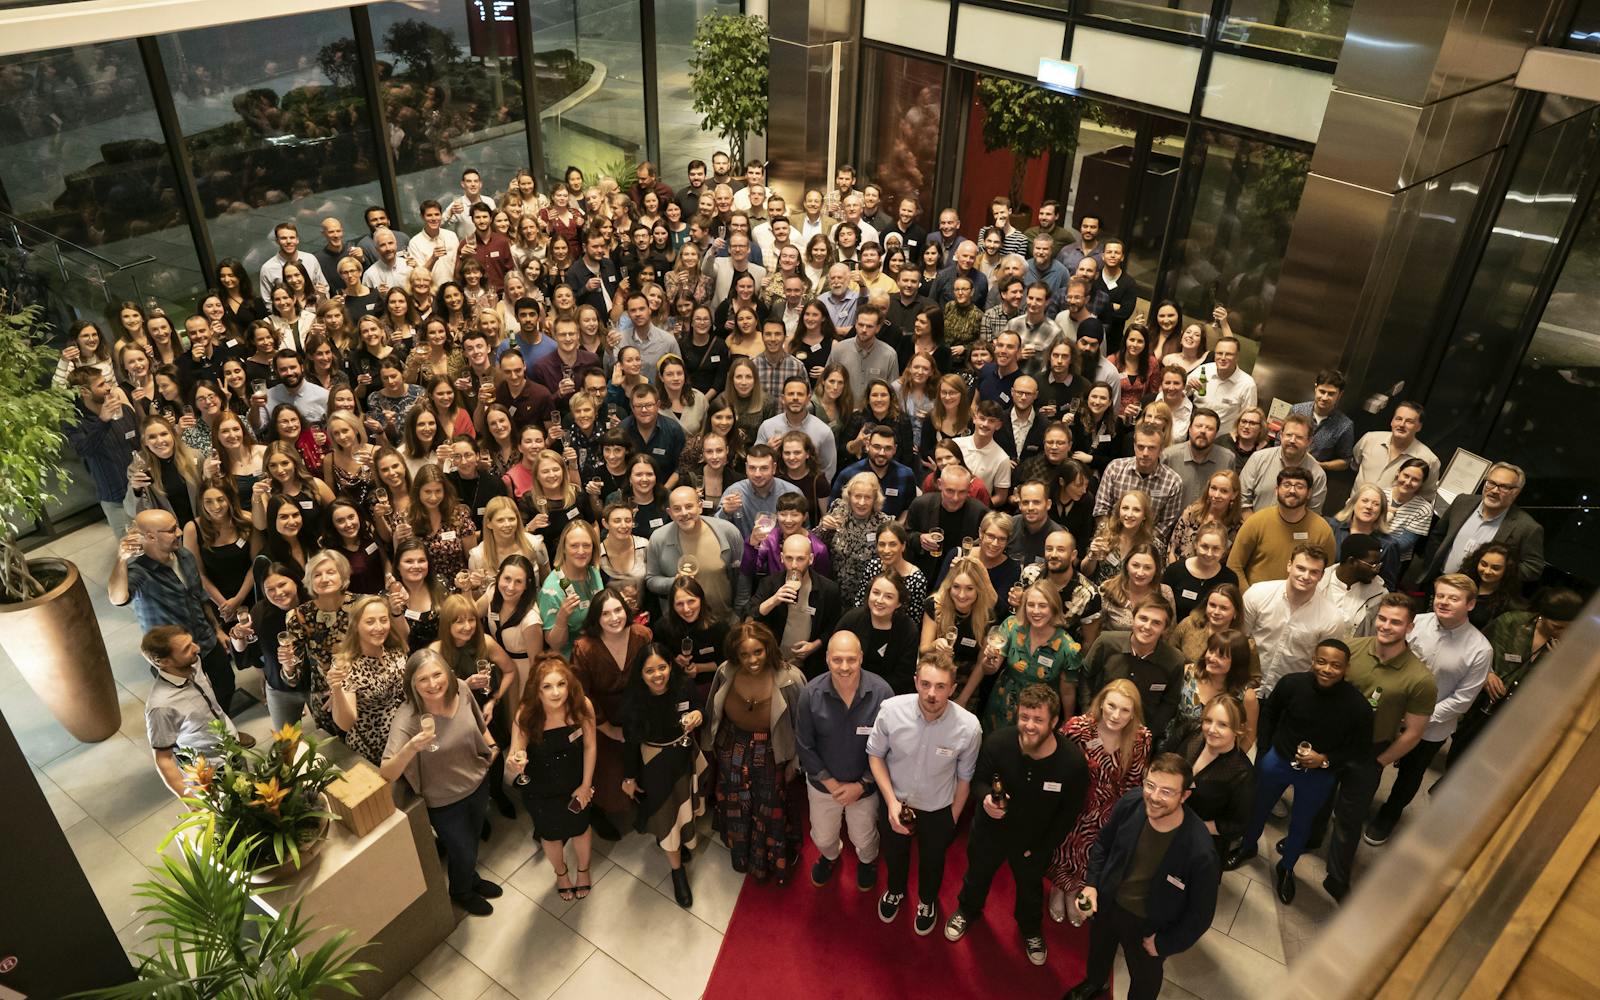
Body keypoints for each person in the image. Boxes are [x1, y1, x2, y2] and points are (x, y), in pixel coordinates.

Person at [945, 684, 1087, 965]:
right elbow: (978, 781)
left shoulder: (1072, 762)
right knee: (977, 875)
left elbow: (1069, 812)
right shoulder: (998, 742)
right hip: (990, 832)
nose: (1029, 725)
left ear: (1054, 722)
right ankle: (967, 909)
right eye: (1024, 717)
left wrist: (1044, 848)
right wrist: (986, 799)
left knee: (1030, 891)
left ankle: (1030, 929)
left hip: (1034, 841)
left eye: (1038, 719)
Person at [1061, 753, 1220, 1000]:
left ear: (1184, 796)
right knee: (1099, 950)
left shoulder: (1200, 851)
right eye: (1150, 785)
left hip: (1149, 925)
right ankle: (1095, 983)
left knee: (1145, 978)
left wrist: (1165, 943)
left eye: (1167, 792)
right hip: (1108, 903)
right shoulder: (1131, 802)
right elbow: (1103, 844)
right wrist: (1092, 885)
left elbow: (1200, 915)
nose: (1154, 797)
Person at [1229, 640, 1372, 905]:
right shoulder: (1291, 684)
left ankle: (1287, 867)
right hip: (1279, 760)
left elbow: (1359, 749)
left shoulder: (1358, 706)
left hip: (1320, 772)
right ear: (1312, 660)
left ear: (1346, 668)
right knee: (1257, 808)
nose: (1327, 669)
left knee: (1302, 823)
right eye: (1322, 661)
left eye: (1335, 665)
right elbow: (1270, 713)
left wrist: (1326, 760)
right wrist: (1266, 749)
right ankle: (1247, 847)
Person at [1321, 594, 1437, 901]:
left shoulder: (1420, 678)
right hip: (1331, 743)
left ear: (1410, 627)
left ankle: (1337, 877)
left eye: (1395, 622)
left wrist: (1379, 762)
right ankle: (1309, 839)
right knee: (1319, 798)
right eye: (1382, 618)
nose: (1385, 626)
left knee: (1349, 818)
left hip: (1369, 753)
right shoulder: (1351, 650)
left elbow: (1414, 733)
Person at [1362, 574, 1491, 845]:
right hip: (1388, 715)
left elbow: (1463, 699)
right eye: (1440, 595)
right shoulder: (1414, 623)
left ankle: (1389, 815)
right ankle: (1359, 804)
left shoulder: (1480, 649)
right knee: (1373, 762)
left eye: (1453, 598)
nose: (1443, 602)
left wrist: (1417, 719)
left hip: (1431, 727)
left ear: (1470, 604)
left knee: (1410, 774)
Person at [868, 650, 983, 935]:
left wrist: (952, 818)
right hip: (896, 801)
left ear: (953, 688)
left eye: (941, 686)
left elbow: (965, 778)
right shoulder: (891, 710)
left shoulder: (969, 727)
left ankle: (927, 901)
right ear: (916, 681)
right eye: (926, 684)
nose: (932, 694)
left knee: (933, 862)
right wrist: (890, 802)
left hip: (938, 809)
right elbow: (875, 755)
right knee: (894, 854)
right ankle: (895, 891)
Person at [381, 648, 500, 915]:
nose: (433, 684)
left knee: (472, 842)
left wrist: (492, 747)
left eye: (437, 675)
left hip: (478, 784)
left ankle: (470, 879)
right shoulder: (408, 718)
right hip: (444, 802)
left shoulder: (460, 689)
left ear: (448, 673)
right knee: (462, 850)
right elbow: (387, 772)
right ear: (412, 684)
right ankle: (461, 891)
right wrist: (412, 746)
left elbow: (478, 723)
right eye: (422, 679)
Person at [703, 620, 808, 882]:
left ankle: (770, 859)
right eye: (744, 654)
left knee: (769, 808)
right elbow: (712, 711)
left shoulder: (790, 679)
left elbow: (804, 727)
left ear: (768, 648)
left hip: (772, 752)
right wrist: (710, 746)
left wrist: (795, 763)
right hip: (731, 748)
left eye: (758, 652)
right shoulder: (725, 671)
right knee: (735, 803)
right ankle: (741, 852)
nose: (752, 660)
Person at [111, 509, 238, 714]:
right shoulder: (139, 572)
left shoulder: (184, 555)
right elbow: (117, 598)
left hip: (205, 639)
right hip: (174, 654)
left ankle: (224, 726)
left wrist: (217, 630)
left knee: (225, 686)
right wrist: (121, 561)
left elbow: (200, 596)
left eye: (177, 526)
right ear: (151, 537)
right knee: (191, 705)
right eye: (171, 530)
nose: (179, 532)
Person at [795, 632, 895, 891]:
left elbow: (890, 748)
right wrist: (831, 785)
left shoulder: (883, 693)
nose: (844, 667)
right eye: (837, 659)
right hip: (823, 786)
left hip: (865, 787)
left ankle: (867, 861)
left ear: (861, 657)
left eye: (851, 659)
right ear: (827, 658)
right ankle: (830, 856)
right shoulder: (810, 694)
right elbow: (804, 745)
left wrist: (861, 785)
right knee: (822, 836)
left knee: (863, 836)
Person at [1047, 680, 1151, 924]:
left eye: (1125, 710)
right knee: (1066, 850)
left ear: (1133, 713)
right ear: (1101, 703)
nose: (1116, 715)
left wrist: (1124, 818)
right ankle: (1058, 888)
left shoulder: (1140, 738)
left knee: (1090, 854)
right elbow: (1056, 764)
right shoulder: (1078, 728)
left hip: (1109, 811)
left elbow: (1135, 782)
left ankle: (1075, 890)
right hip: (1074, 805)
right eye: (1111, 706)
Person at [1449, 588, 1580, 762]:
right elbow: (1472, 651)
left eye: (1569, 628)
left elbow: (1564, 690)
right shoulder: (1511, 623)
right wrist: (1487, 674)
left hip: (1518, 719)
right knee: (1458, 756)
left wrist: (1560, 663)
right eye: (1557, 627)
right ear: (1542, 616)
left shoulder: (1571, 646)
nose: (1562, 632)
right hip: (1481, 705)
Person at [620, 643, 707, 907]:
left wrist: (697, 714)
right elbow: (630, 744)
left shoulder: (683, 686)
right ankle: (677, 872)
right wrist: (629, 778)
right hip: (654, 763)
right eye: (650, 671)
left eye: (662, 667)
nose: (658, 675)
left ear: (671, 666)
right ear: (640, 674)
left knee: (684, 807)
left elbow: (700, 708)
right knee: (666, 815)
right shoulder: (634, 701)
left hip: (684, 756)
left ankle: (679, 843)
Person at [570, 587, 651, 841]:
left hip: (638, 711)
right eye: (606, 613)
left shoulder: (642, 635)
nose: (614, 618)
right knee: (609, 772)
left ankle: (639, 799)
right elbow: (582, 695)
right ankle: (599, 810)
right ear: (596, 618)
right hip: (600, 715)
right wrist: (608, 729)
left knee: (642, 762)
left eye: (618, 610)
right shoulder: (584, 648)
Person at [143, 626, 249, 797]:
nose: (197, 648)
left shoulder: (193, 663)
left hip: (232, 748)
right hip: (210, 771)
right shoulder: (161, 706)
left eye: (191, 642)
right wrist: (191, 803)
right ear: (163, 662)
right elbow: (163, 759)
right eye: (186, 649)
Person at [1405, 461, 1545, 590]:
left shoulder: (1527, 527)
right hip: (1438, 582)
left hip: (1479, 595)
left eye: (1503, 487)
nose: (1494, 490)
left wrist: (1498, 572)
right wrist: (1432, 565)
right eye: (1491, 483)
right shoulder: (1462, 502)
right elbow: (1438, 535)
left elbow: (1533, 568)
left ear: (1516, 492)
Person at [1073, 598, 1185, 745]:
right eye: (1143, 618)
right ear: (1133, 618)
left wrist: (1148, 734)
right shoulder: (1106, 642)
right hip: (1097, 729)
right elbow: (1086, 676)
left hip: (1139, 739)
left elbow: (1169, 703)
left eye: (1156, 623)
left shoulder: (1174, 661)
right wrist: (1089, 713)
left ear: (1165, 628)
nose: (1147, 626)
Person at [1245, 545, 1346, 699]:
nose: (1306, 576)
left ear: (1322, 575)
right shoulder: (1257, 594)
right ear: (1289, 566)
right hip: (1247, 688)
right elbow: (1240, 639)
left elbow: (1324, 666)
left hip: (1291, 696)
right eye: (1301, 568)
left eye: (1314, 572)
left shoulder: (1332, 618)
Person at [979, 581, 1082, 733]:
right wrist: (988, 660)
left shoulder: (1068, 648)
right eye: (1031, 605)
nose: (1036, 611)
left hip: (1038, 713)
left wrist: (1067, 725)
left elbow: (1067, 692)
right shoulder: (1012, 627)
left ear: (1054, 607)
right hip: (1003, 705)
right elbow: (990, 670)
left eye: (1042, 606)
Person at [326, 595, 410, 766]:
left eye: (383, 620)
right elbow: (346, 724)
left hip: (404, 737)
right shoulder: (346, 666)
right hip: (374, 749)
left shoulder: (395, 650)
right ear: (356, 626)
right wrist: (336, 689)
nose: (379, 627)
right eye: (370, 622)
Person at [751, 532, 843, 678]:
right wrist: (774, 600)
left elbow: (834, 626)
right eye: (789, 558)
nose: (794, 565)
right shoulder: (769, 584)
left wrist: (815, 645)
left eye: (800, 559)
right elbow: (751, 616)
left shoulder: (828, 589)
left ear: (811, 559)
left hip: (810, 666)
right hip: (773, 663)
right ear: (781, 558)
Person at [1226, 469, 1335, 588]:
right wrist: (1247, 597)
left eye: (1299, 486)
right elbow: (1234, 566)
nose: (1292, 491)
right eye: (1286, 485)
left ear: (1309, 493)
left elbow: (1326, 575)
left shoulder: (1322, 530)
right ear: (1276, 490)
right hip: (1256, 598)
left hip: (1303, 598)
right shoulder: (1256, 522)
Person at [1177, 696, 1254, 861]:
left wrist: (1189, 827)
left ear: (1238, 729)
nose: (1211, 729)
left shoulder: (1242, 773)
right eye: (1208, 720)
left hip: (1200, 842)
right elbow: (1165, 759)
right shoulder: (1191, 733)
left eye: (1222, 725)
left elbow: (1236, 825)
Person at [1238, 413, 1328, 513]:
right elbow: (1242, 500)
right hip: (1252, 521)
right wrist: (1256, 523)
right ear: (1281, 436)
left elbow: (1313, 514)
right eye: (1289, 435)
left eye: (1299, 437)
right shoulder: (1258, 459)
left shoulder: (1317, 475)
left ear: (1309, 441)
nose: (1292, 440)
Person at [1351, 401, 1440, 501]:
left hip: (1392, 510)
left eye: (1409, 421)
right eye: (1398, 419)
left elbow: (1426, 496)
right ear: (1392, 421)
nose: (1402, 424)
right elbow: (1354, 465)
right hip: (1354, 505)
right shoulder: (1369, 439)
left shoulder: (1429, 460)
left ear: (1419, 427)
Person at [1315, 534, 1389, 637]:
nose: (1376, 570)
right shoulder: (1317, 583)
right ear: (1351, 561)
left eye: (1378, 565)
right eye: (1372, 565)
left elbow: (1374, 638)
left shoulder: (1379, 594)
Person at [1185, 336, 1255, 436]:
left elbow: (1249, 418)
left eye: (1229, 354)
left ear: (1237, 357)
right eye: (1219, 353)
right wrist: (1187, 387)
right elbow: (1179, 397)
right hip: (1194, 434)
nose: (1223, 358)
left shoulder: (1247, 384)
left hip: (1222, 439)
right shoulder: (1204, 370)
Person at [1289, 369, 1355, 472]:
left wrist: (1321, 465)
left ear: (1340, 394)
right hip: (1286, 467)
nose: (1324, 398)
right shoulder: (1297, 410)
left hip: (1313, 474)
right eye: (1322, 391)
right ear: (1316, 388)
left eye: (1331, 394)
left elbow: (1345, 461)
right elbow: (1280, 439)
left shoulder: (1345, 426)